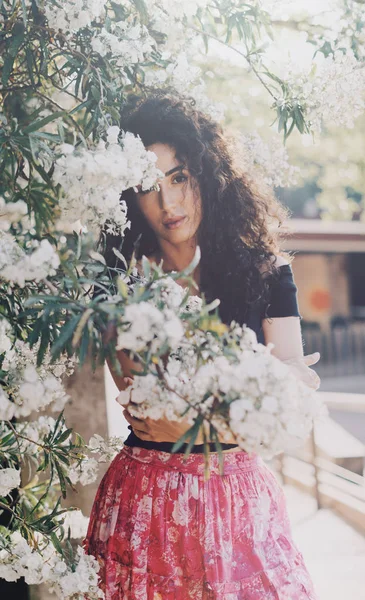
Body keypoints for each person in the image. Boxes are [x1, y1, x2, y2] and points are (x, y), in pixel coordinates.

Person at [84, 92, 320, 599]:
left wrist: (197, 421)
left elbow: (293, 400)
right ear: (128, 197)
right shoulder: (116, 282)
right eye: (149, 186)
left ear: (207, 174)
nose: (168, 203)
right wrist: (249, 407)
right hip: (146, 501)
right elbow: (145, 409)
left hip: (238, 501)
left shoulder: (266, 269)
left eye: (179, 177)